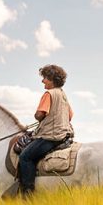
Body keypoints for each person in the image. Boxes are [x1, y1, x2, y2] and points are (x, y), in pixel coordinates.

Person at [18, 64, 74, 196]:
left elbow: (39, 115)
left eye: (44, 78)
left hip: (50, 136)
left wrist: (38, 116)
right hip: (65, 135)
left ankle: (28, 193)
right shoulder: (63, 95)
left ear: (51, 79)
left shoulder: (48, 94)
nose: (42, 81)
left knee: (25, 157)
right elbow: (70, 116)